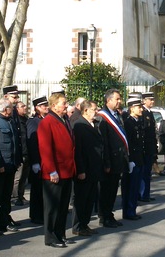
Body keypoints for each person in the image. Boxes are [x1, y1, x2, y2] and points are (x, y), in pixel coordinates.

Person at [38, 93, 76, 248]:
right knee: (52, 207)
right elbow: (45, 149)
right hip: (55, 172)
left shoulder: (64, 119)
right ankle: (51, 237)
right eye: (63, 103)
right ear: (54, 106)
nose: (66, 105)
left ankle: (60, 234)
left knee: (62, 206)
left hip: (66, 170)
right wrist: (51, 170)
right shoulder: (47, 122)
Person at [0, 99, 22, 236]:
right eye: (11, 108)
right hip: (1, 166)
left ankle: (4, 221)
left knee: (6, 196)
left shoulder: (10, 121)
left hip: (11, 164)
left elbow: (15, 143)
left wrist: (17, 160)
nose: (12, 111)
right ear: (5, 109)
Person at [72, 100, 103, 236]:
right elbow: (78, 150)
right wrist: (81, 170)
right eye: (94, 110)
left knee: (90, 199)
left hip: (94, 168)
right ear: (85, 111)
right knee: (81, 199)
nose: (96, 112)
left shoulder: (94, 124)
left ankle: (84, 224)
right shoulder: (79, 125)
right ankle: (78, 226)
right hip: (85, 168)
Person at [97, 89, 127, 228]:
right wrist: (107, 162)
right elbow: (104, 142)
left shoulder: (117, 115)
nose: (119, 101)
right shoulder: (103, 117)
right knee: (106, 190)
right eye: (117, 99)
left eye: (120, 99)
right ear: (108, 101)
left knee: (113, 189)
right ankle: (104, 216)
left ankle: (109, 214)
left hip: (118, 159)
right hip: (110, 160)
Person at [26, 96, 49, 225]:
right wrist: (34, 161)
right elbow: (32, 142)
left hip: (45, 159)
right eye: (43, 106)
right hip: (38, 160)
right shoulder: (33, 122)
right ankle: (36, 215)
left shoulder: (45, 119)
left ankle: (42, 213)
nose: (46, 107)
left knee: (44, 189)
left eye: (46, 105)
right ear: (37, 108)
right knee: (37, 190)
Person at [122, 98, 145, 220]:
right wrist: (129, 160)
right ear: (132, 108)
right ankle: (129, 211)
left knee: (135, 186)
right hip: (133, 159)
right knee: (130, 187)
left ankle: (132, 209)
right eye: (138, 107)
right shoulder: (128, 123)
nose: (141, 109)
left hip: (139, 158)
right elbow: (128, 143)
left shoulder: (138, 121)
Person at [140, 92, 157, 202]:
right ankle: (143, 194)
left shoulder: (150, 113)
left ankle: (146, 194)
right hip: (145, 148)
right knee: (144, 173)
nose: (152, 101)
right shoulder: (143, 113)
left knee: (147, 173)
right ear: (144, 100)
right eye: (150, 99)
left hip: (150, 147)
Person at [13, 101, 29, 206]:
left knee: (24, 177)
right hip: (20, 153)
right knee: (17, 178)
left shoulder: (26, 119)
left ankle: (21, 195)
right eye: (22, 106)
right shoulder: (16, 120)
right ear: (17, 109)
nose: (25, 107)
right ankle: (14, 197)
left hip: (27, 152)